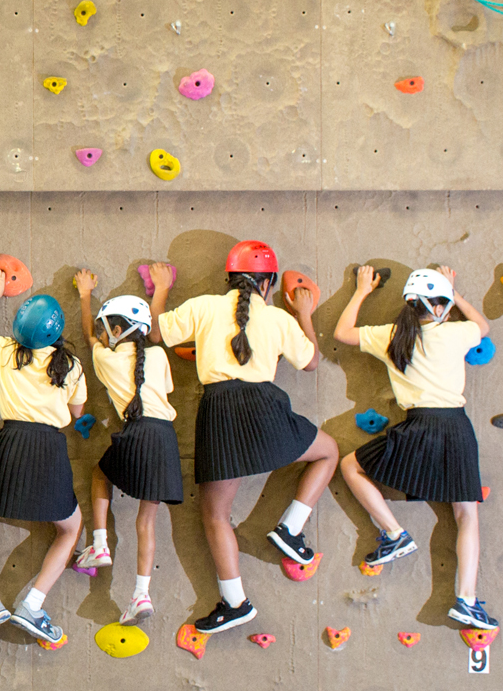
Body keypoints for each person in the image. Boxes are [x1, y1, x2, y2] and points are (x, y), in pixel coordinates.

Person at [157, 241, 336, 635]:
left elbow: (156, 333)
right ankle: (290, 527)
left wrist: (161, 290)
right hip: (263, 406)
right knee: (328, 452)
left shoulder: (204, 305)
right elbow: (311, 363)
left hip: (220, 410)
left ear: (229, 279)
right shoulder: (277, 318)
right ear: (268, 283)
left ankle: (236, 602)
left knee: (216, 515)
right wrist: (304, 315)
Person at [332, 264, 494, 629]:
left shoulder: (392, 335)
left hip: (417, 427)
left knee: (350, 466)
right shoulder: (455, 333)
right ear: (440, 306)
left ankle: (394, 534)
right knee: (466, 515)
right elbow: (483, 327)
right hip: (454, 428)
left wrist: (361, 290)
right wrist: (455, 292)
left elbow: (343, 332)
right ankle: (465, 600)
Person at [0, 276, 88, 648]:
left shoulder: (5, 350)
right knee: (70, 527)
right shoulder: (71, 365)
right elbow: (78, 412)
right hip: (49, 447)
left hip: (10, 443)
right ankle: (33, 605)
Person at [73, 268, 183, 626]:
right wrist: (161, 290)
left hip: (135, 432)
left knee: (100, 474)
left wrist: (85, 294)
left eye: (108, 330)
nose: (103, 336)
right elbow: (161, 388)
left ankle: (100, 543)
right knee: (146, 520)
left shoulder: (106, 358)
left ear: (117, 332)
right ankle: (140, 595)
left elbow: (90, 336)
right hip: (164, 437)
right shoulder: (161, 358)